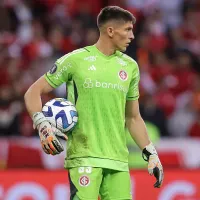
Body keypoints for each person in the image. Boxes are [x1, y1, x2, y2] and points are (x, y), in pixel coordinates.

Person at [24, 6, 164, 200]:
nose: (132, 36)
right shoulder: (75, 60)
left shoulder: (130, 67)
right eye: (128, 30)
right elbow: (33, 92)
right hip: (84, 157)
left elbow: (133, 117)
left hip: (118, 161)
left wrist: (151, 153)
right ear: (110, 31)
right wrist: (42, 124)